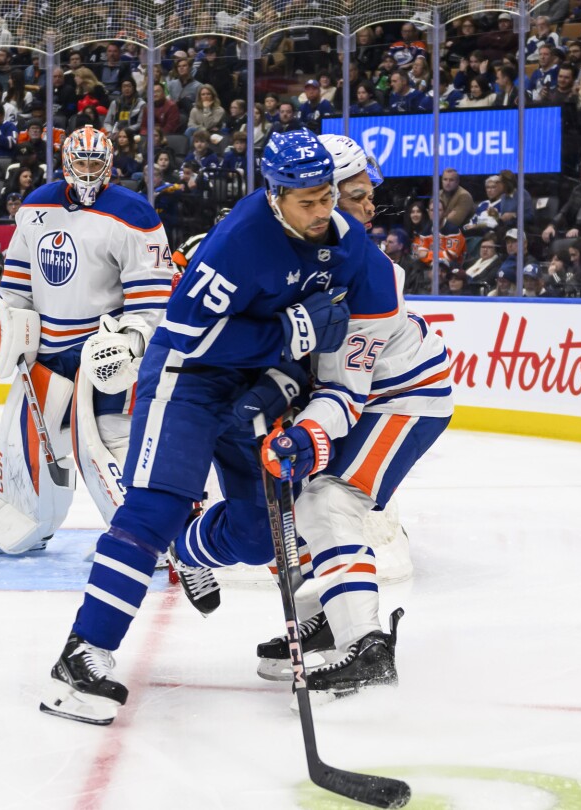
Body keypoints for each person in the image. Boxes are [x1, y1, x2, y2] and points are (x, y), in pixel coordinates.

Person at [37, 128, 375, 725]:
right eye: (308, 201)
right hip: (189, 383)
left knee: (259, 536)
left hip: (258, 391)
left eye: (328, 196)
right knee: (151, 510)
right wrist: (291, 331)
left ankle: (188, 549)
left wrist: (287, 387)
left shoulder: (346, 243)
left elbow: (354, 334)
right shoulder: (240, 242)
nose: (322, 211)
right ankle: (83, 652)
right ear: (275, 195)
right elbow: (187, 333)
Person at [175, 133, 451, 699]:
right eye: (345, 195)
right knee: (299, 502)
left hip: (402, 396)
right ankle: (328, 616)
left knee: (327, 499)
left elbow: (344, 390)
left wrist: (308, 433)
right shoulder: (276, 241)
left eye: (348, 195)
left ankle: (366, 644)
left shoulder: (369, 275)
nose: (357, 208)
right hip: (355, 394)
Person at [0, 125, 172, 557]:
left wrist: (135, 339)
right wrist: (10, 323)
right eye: (79, 162)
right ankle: (34, 523)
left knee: (103, 443)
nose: (86, 171)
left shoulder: (133, 213)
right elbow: (20, 280)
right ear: (66, 164)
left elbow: (153, 293)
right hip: (47, 351)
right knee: (24, 443)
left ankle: (142, 536)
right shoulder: (36, 205)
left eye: (94, 162)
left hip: (102, 351)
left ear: (109, 165)